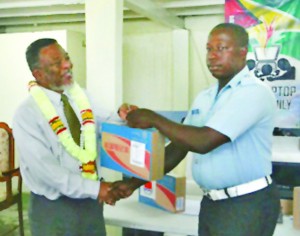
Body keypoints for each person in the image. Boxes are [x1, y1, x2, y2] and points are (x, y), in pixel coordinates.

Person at [112, 23, 281, 236]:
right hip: (212, 203)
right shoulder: (206, 96)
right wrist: (134, 184)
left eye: (221, 48)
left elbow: (204, 141)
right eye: (209, 49)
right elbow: (178, 148)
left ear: (243, 52)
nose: (212, 56)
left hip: (246, 204)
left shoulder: (254, 93)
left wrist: (153, 118)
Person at [12, 38, 132, 235]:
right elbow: (48, 172)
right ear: (38, 74)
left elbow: (108, 123)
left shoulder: (81, 97)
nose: (67, 65)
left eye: (66, 57)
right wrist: (98, 189)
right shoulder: (27, 114)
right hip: (54, 209)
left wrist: (125, 115)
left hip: (91, 205)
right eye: (57, 63)